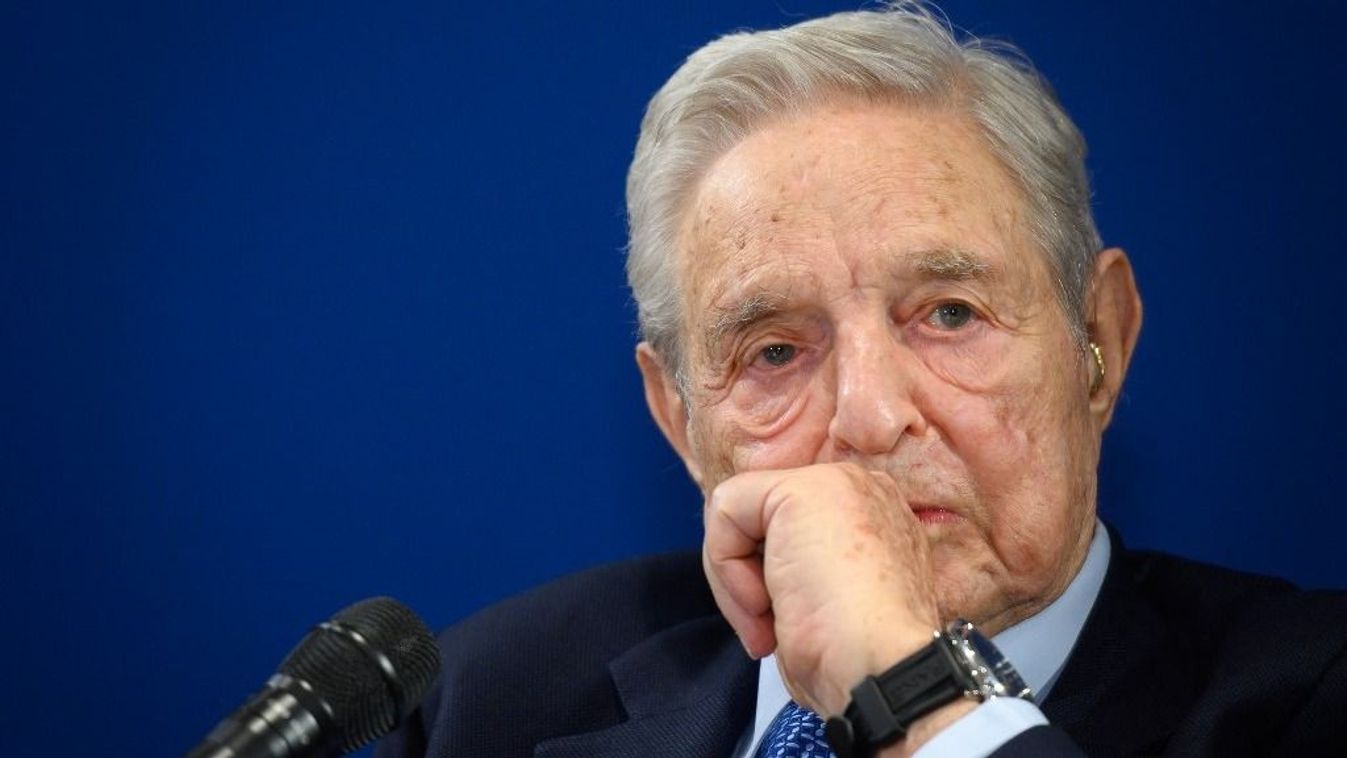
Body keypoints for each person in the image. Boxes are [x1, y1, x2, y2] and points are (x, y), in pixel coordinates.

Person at [378, 3, 1346, 756]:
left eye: (950, 314)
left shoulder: (1312, 697)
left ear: (1100, 342)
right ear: (679, 421)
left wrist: (910, 688)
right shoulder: (487, 701)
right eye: (774, 352)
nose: (872, 417)